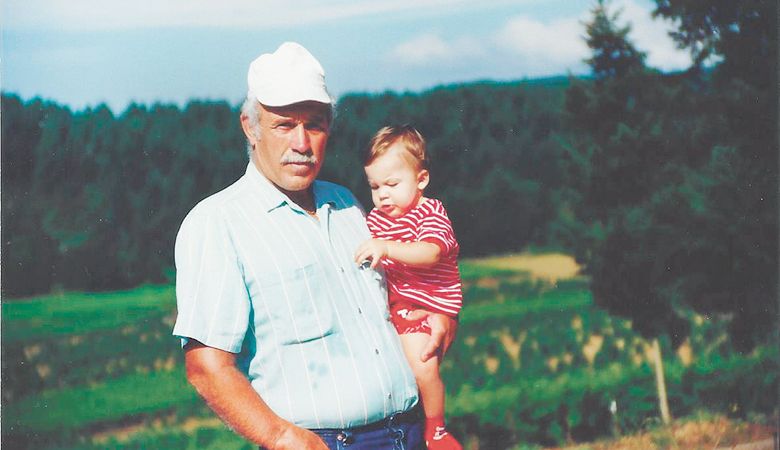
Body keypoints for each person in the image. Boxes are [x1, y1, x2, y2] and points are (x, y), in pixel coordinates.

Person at [172, 42, 457, 450]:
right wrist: (282, 438)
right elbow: (206, 367)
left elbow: (394, 300)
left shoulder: (348, 206)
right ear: (250, 127)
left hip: (409, 433)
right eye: (284, 125)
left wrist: (435, 316)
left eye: (316, 124)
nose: (302, 143)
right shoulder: (218, 222)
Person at [354, 126, 463, 450]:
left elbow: (430, 252)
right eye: (374, 186)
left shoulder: (429, 212)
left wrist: (386, 248)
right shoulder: (376, 219)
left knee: (421, 363)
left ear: (422, 180)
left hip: (433, 306)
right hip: (398, 307)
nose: (382, 194)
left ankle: (437, 429)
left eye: (392, 184)